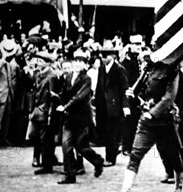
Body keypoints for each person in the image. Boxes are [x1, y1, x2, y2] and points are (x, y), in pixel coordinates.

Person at [106, 61, 183, 192]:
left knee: (174, 157)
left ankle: (178, 191)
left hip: (165, 121)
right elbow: (143, 93)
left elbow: (169, 97)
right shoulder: (149, 67)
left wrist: (153, 113)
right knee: (135, 155)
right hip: (147, 122)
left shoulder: (172, 71)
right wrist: (133, 96)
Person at [57, 49, 104, 184]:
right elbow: (63, 94)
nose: (77, 64)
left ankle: (97, 161)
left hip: (82, 119)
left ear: (85, 65)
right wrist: (60, 102)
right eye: (76, 61)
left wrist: (65, 107)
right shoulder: (67, 77)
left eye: (81, 62)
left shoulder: (86, 79)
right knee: (66, 146)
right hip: (69, 117)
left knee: (81, 147)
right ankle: (69, 175)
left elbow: (79, 97)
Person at [95, 41, 129, 166]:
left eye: (106, 56)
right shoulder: (101, 69)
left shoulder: (119, 69)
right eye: (102, 56)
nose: (104, 59)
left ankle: (110, 158)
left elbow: (125, 88)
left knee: (112, 132)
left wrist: (125, 106)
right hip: (103, 105)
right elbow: (100, 86)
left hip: (115, 106)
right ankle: (113, 150)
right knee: (105, 130)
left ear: (113, 56)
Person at [30, 51, 62, 174]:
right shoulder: (38, 74)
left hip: (46, 111)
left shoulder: (51, 76)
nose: (38, 63)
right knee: (36, 136)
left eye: (41, 61)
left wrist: (50, 114)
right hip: (37, 110)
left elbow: (53, 97)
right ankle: (47, 161)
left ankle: (47, 165)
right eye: (38, 61)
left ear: (48, 63)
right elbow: (35, 93)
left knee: (45, 139)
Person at [0, 39, 20, 147]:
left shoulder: (8, 64)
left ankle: (3, 138)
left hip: (7, 95)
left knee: (6, 120)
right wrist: (2, 59)